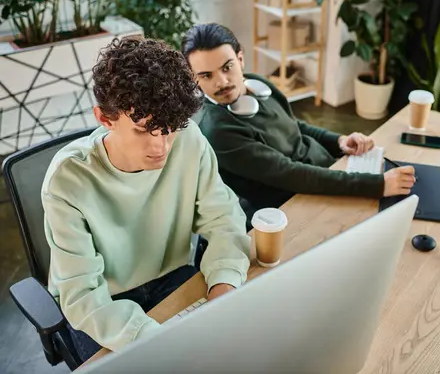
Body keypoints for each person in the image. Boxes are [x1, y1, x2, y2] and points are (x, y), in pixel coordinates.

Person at [42, 36, 251, 362]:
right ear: (104, 118)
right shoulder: (67, 180)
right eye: (143, 130)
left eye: (168, 129)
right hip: (102, 305)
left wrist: (225, 281)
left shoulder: (189, 140)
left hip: (171, 277)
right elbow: (82, 294)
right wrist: (156, 342)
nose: (161, 147)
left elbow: (224, 218)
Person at [181, 23, 416, 219]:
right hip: (295, 201)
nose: (221, 82)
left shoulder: (254, 84)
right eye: (206, 75)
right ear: (194, 78)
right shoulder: (218, 130)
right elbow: (290, 174)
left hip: (325, 172)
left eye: (227, 67)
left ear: (240, 58)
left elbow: (295, 125)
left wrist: (340, 141)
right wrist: (376, 185)